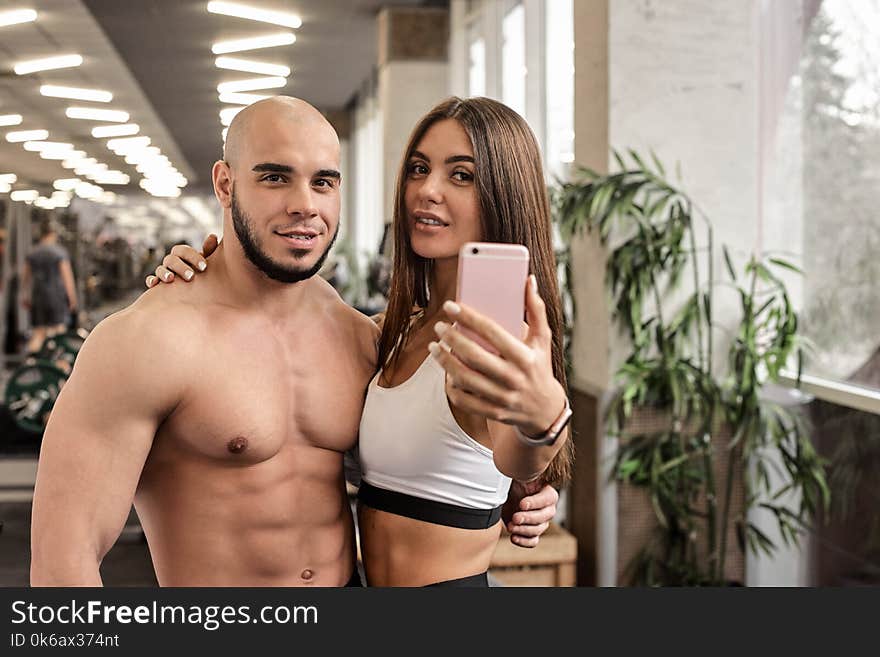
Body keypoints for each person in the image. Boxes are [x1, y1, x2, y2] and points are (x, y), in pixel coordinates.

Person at [30, 96, 556, 587]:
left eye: (323, 182)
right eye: (276, 178)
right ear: (225, 184)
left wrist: (517, 482)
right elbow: (64, 557)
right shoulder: (146, 340)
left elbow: (447, 449)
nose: (304, 204)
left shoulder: (362, 337)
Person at [21, 220, 77, 354]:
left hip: (38, 296)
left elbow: (25, 278)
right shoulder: (59, 252)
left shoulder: (33, 252)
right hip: (56, 297)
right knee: (58, 331)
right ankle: (57, 365)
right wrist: (72, 298)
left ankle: (34, 362)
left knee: (39, 332)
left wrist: (24, 295)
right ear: (52, 234)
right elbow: (67, 277)